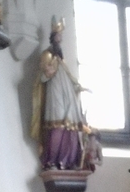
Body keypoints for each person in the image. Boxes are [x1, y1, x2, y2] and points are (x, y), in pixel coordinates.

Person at [31, 17, 101, 171]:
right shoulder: (47, 55)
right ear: (52, 38)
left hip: (67, 94)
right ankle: (52, 160)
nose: (59, 39)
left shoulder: (62, 59)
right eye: (57, 36)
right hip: (55, 94)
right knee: (57, 125)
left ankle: (67, 161)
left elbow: (69, 77)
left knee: (70, 127)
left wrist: (78, 87)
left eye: (60, 36)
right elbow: (42, 77)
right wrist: (49, 69)